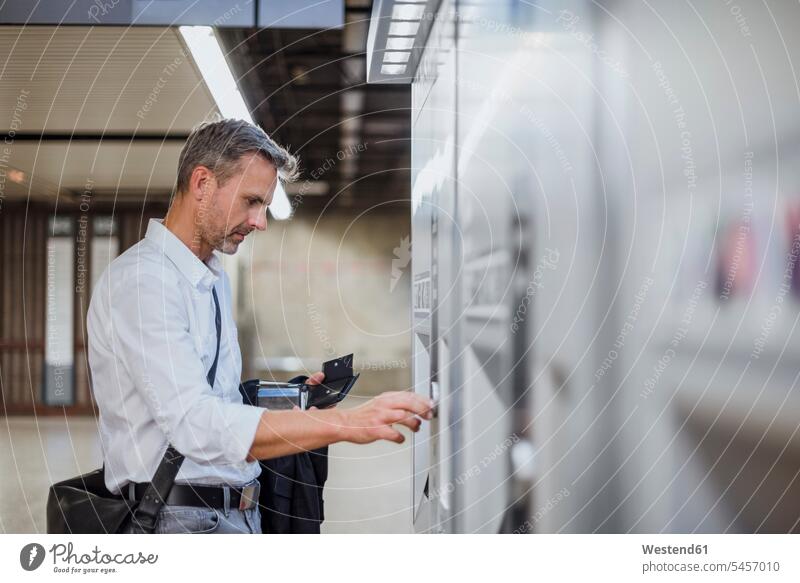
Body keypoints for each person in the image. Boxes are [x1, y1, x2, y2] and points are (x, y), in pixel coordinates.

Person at [87, 118, 433, 534]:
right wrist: (345, 424)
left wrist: (294, 400)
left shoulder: (209, 276)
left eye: (265, 206)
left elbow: (218, 397)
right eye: (252, 201)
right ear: (202, 183)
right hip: (181, 523)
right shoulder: (144, 283)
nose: (260, 221)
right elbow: (194, 425)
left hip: (231, 514)